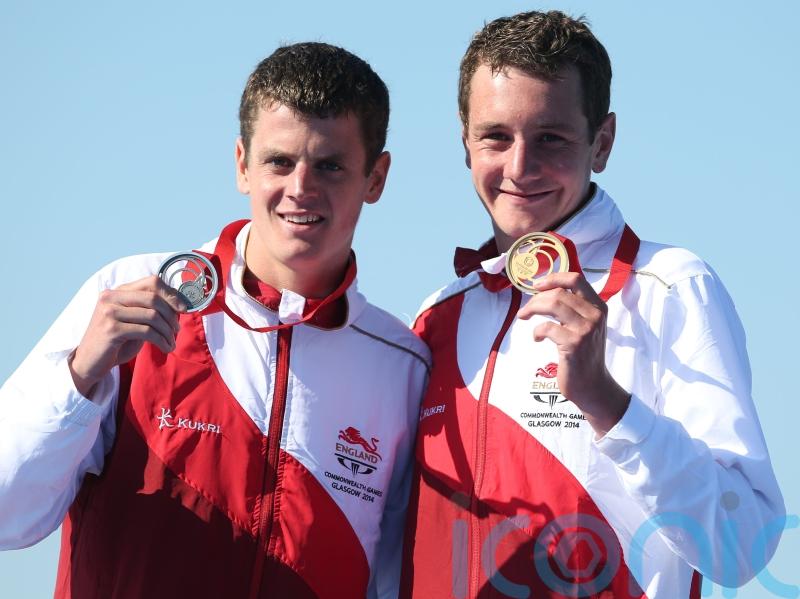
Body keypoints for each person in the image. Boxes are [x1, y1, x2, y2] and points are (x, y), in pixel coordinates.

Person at [0, 42, 429, 599]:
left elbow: (394, 578)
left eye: (330, 165)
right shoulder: (130, 294)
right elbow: (9, 514)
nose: (301, 187)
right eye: (279, 161)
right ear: (241, 166)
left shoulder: (401, 363)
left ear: (376, 178)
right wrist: (79, 375)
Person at [399, 10, 784, 599]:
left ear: (602, 142)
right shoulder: (435, 317)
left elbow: (743, 545)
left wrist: (608, 403)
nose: (520, 167)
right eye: (496, 136)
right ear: (465, 143)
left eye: (550, 138)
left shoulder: (670, 287)